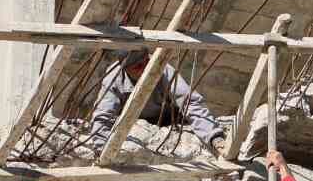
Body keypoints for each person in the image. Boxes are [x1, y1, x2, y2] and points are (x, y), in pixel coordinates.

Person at [88, 50, 229, 156]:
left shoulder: (162, 69)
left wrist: (214, 137)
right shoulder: (114, 79)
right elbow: (103, 115)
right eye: (137, 67)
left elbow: (189, 102)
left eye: (146, 62)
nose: (145, 69)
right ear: (126, 69)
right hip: (133, 126)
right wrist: (103, 151)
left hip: (168, 121)